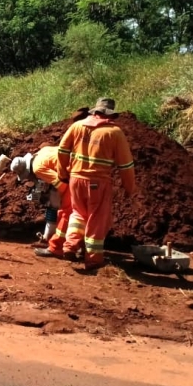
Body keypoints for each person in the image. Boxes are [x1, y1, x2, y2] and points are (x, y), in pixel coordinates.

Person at [56, 97, 136, 270]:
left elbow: (62, 150)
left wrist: (63, 173)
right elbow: (126, 165)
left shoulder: (77, 126)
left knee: (78, 214)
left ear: (95, 111)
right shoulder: (114, 133)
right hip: (99, 182)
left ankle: (69, 246)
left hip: (75, 179)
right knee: (97, 219)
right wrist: (130, 188)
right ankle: (93, 259)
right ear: (110, 115)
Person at [9, 145, 72, 253]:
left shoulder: (37, 169)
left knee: (60, 208)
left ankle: (52, 240)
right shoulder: (41, 152)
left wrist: (54, 198)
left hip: (73, 174)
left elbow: (61, 185)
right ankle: (52, 238)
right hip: (76, 166)